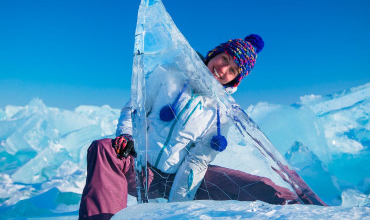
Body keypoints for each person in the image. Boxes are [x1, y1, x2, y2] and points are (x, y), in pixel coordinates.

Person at [79, 34, 325, 220]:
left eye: (233, 70)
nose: (223, 69)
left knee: (261, 184)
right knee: (104, 149)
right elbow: (134, 107)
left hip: (182, 179)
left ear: (237, 78)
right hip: (142, 168)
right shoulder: (169, 73)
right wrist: (126, 135)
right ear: (215, 52)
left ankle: (316, 213)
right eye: (224, 59)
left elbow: (199, 159)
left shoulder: (224, 111)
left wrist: (178, 207)